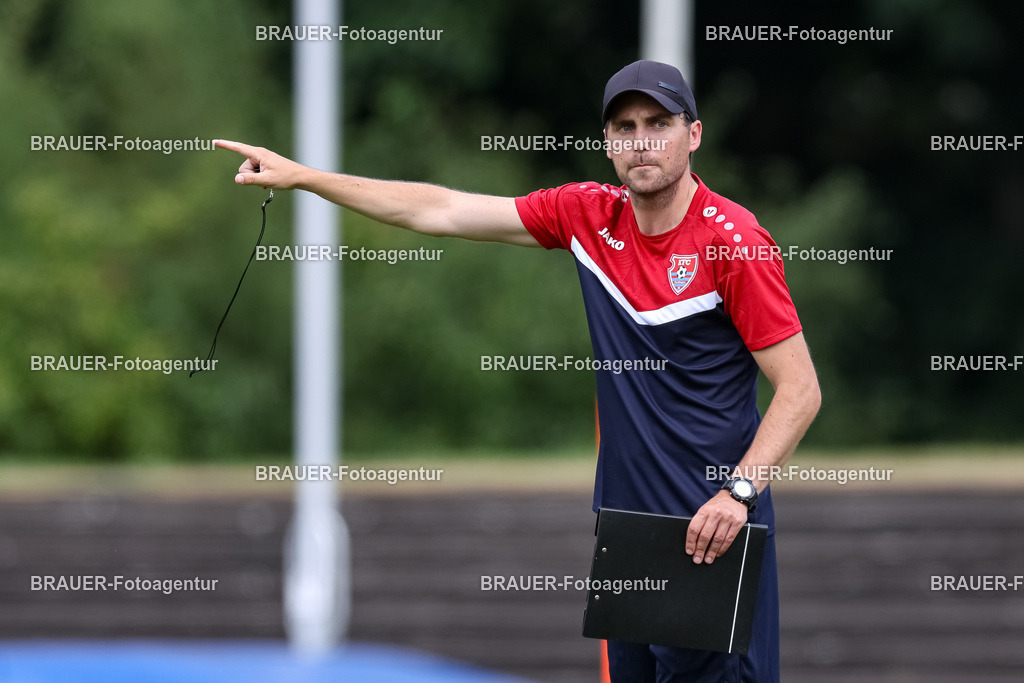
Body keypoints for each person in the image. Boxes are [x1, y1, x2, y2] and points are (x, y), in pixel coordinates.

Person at [216, 59, 821, 682]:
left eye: (658, 124)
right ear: (608, 143)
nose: (642, 140)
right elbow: (440, 211)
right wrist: (305, 177)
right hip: (627, 531)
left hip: (710, 533)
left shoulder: (733, 240)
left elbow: (800, 389)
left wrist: (738, 494)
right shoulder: (588, 216)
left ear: (693, 135)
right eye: (625, 126)